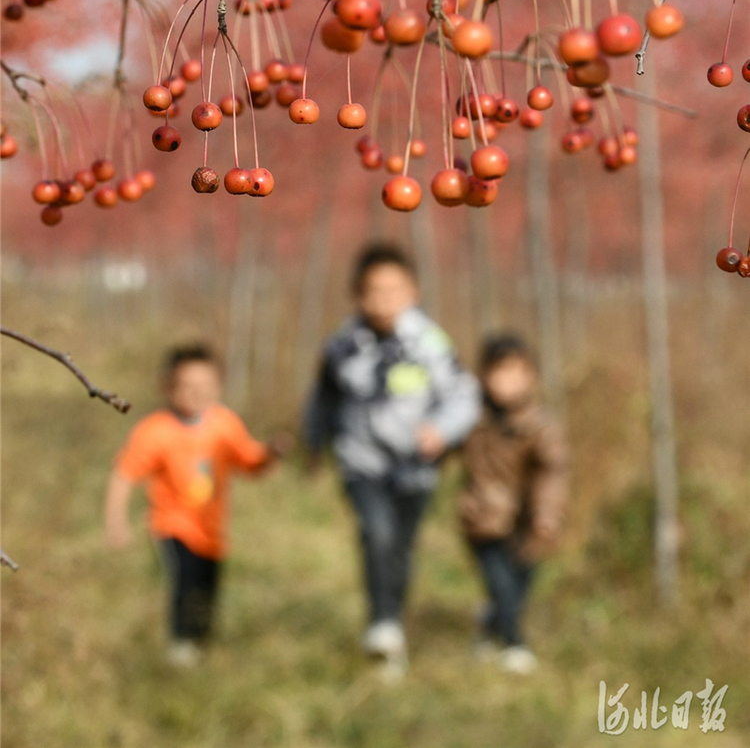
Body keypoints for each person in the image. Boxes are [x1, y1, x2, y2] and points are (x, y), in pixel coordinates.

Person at [303, 243, 480, 674]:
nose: (383, 300)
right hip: (361, 462)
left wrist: (441, 430)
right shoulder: (343, 344)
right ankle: (381, 623)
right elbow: (323, 398)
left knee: (400, 547)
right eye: (373, 291)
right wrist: (313, 444)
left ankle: (391, 627)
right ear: (357, 294)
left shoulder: (431, 343)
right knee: (377, 532)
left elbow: (463, 395)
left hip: (415, 468)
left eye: (393, 290)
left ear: (413, 292)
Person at [105, 344, 290, 667]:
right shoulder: (155, 430)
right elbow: (124, 474)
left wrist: (272, 453)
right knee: (184, 581)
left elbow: (250, 460)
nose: (196, 394)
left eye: (205, 387)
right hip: (172, 525)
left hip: (212, 529)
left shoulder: (225, 424)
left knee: (207, 588)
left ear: (218, 387)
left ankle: (201, 644)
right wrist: (116, 523)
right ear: (168, 388)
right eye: (187, 387)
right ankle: (180, 644)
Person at [458, 333, 568, 674]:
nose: (508, 383)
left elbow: (553, 473)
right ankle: (515, 645)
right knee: (501, 584)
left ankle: (491, 625)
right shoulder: (470, 419)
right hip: (481, 518)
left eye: (517, 374)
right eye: (500, 373)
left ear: (531, 377)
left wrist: (546, 516)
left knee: (519, 587)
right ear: (484, 375)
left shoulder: (542, 426)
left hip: (527, 523)